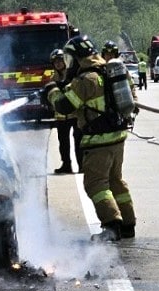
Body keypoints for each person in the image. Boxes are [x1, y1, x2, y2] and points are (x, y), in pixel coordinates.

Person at [44, 35, 136, 242]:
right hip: (118, 137)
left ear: (78, 58)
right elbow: (131, 93)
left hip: (98, 140)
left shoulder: (86, 80)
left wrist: (51, 91)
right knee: (115, 181)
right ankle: (129, 224)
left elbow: (65, 106)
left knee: (96, 184)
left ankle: (112, 227)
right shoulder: (109, 70)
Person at [50, 48, 83, 174]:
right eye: (55, 62)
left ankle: (81, 165)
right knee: (63, 142)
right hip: (60, 116)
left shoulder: (73, 75)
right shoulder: (53, 78)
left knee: (78, 140)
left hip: (75, 113)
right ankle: (66, 165)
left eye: (60, 61)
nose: (58, 64)